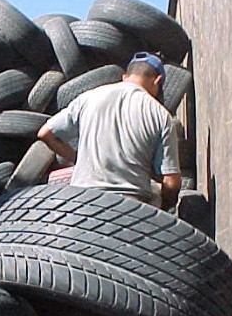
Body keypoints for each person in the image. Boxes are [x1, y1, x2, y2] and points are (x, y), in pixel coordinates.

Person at [38, 52, 181, 211]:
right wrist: (167, 208)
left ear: (125, 76)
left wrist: (77, 159)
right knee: (155, 192)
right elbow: (171, 181)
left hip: (82, 200)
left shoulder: (88, 98)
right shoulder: (160, 114)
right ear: (158, 80)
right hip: (132, 205)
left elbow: (45, 134)